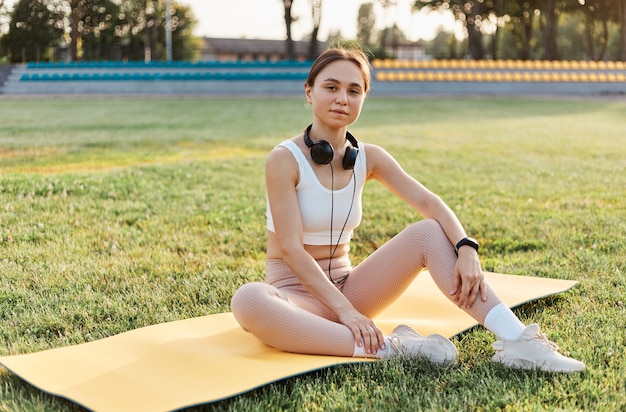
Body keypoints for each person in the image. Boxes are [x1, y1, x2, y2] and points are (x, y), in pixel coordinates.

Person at [231, 46, 585, 373]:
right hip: (297, 297)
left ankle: (519, 342)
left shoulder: (370, 157)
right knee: (249, 300)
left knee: (429, 232)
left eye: (354, 91)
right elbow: (291, 249)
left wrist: (466, 247)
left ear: (363, 99)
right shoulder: (284, 159)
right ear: (309, 92)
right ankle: (396, 347)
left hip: (350, 287)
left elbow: (429, 203)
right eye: (331, 87)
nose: (342, 98)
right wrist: (346, 313)